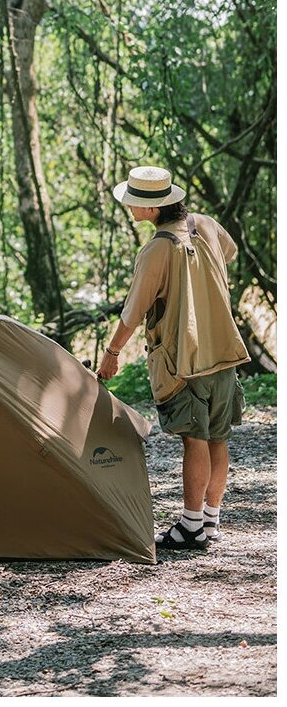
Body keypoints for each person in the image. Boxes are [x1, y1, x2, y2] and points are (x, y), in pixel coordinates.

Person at [97, 166, 249, 550]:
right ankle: (210, 520)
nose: (129, 206)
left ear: (152, 209)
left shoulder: (157, 249)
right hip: (225, 351)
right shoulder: (206, 224)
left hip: (186, 359)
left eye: (134, 201)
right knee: (218, 438)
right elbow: (229, 254)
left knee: (195, 440)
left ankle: (191, 526)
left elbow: (133, 312)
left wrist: (112, 353)